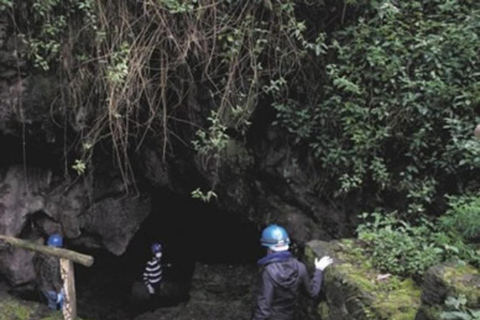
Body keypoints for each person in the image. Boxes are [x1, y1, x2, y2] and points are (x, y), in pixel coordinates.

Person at [251, 224, 333, 320]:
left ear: (269, 248)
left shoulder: (268, 272)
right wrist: (319, 270)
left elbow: (263, 309)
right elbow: (313, 293)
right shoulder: (300, 267)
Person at [34, 233, 65, 310]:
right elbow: (54, 279)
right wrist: (59, 292)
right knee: (61, 300)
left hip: (42, 286)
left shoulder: (42, 255)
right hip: (49, 288)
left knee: (51, 302)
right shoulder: (53, 261)